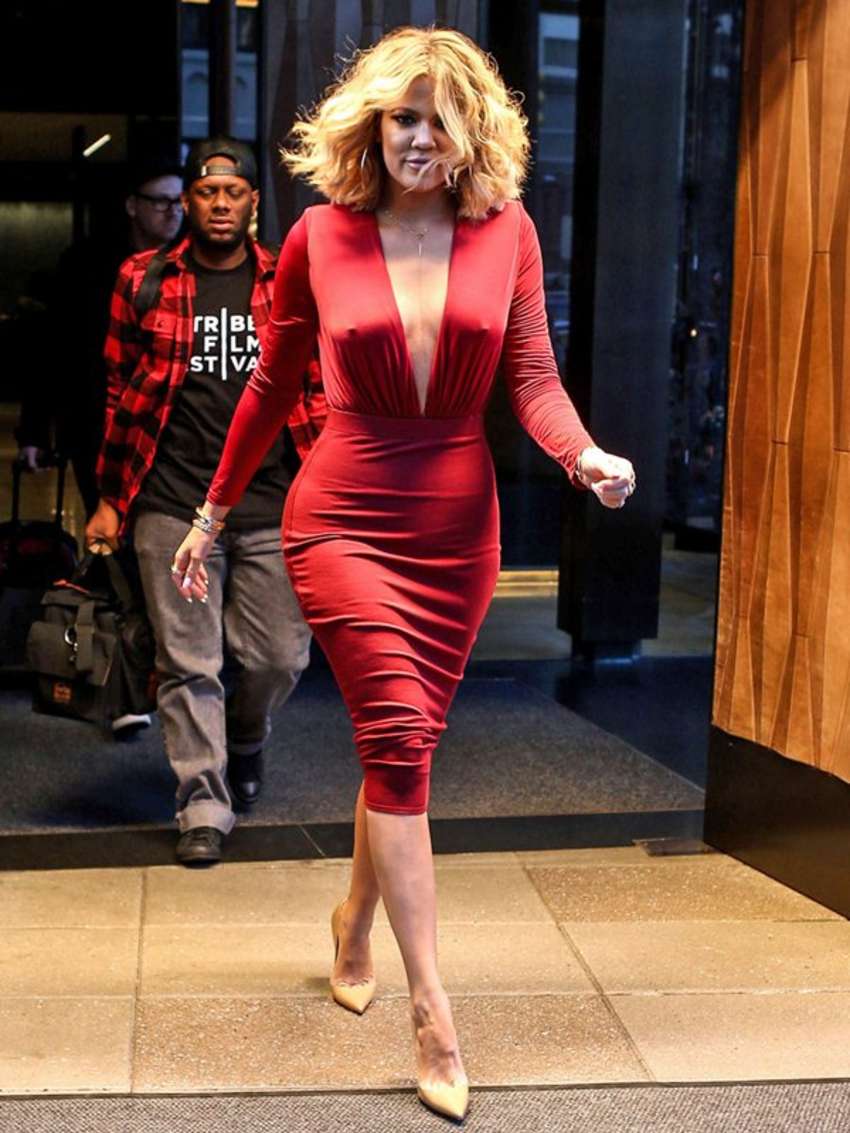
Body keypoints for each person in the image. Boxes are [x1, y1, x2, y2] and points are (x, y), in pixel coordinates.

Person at [171, 30, 635, 1121]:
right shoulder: (320, 236)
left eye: (437, 118)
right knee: (393, 735)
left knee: (404, 748)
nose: (418, 138)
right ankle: (433, 1010)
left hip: (455, 529)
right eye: (400, 117)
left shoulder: (506, 229)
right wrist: (211, 512)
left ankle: (353, 922)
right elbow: (270, 385)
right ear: (371, 126)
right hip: (342, 518)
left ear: (471, 130)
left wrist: (582, 455)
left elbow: (532, 375)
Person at [85, 136, 326, 865]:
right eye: (206, 192)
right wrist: (109, 498)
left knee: (278, 655)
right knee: (189, 660)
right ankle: (202, 802)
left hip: (271, 501)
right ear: (187, 202)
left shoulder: (291, 275)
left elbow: (318, 387)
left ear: (252, 202)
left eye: (234, 192)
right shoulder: (143, 278)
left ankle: (245, 740)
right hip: (170, 499)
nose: (220, 203)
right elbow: (117, 392)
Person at [17, 156, 185, 517]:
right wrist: (34, 431)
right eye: (161, 201)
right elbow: (53, 346)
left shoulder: (195, 263)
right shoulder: (87, 265)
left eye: (179, 201)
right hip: (96, 421)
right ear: (133, 206)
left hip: (174, 426)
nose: (173, 212)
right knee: (108, 528)